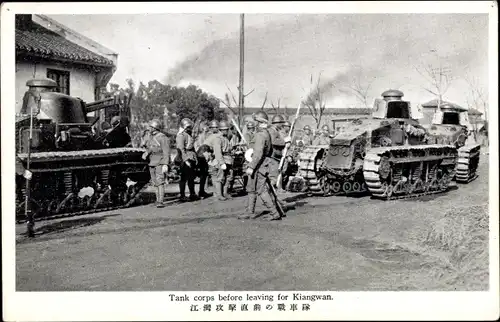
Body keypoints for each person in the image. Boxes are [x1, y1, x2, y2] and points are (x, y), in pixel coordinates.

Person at [237, 111, 286, 221]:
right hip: (262, 164)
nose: (255, 124)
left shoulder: (260, 135)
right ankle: (250, 212)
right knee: (251, 188)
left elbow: (258, 153)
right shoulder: (266, 133)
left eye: (256, 121)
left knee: (261, 190)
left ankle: (274, 213)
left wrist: (251, 167)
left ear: (259, 122)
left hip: (260, 165)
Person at [142, 119, 171, 208]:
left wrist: (166, 164)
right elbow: (150, 148)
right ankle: (157, 199)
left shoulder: (163, 137)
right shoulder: (151, 137)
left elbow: (166, 152)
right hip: (152, 162)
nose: (149, 128)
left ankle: (161, 201)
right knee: (154, 182)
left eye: (151, 127)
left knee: (160, 182)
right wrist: (146, 152)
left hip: (160, 162)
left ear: (155, 128)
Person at [204, 120, 232, 200]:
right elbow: (217, 152)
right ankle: (219, 195)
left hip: (227, 159)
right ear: (220, 130)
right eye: (224, 129)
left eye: (226, 129)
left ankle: (225, 193)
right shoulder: (218, 138)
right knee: (220, 177)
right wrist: (221, 162)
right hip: (221, 159)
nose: (226, 131)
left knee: (228, 177)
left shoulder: (225, 138)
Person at [176, 118, 199, 202]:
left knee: (191, 177)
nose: (190, 128)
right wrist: (186, 160)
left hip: (191, 158)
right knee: (183, 178)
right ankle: (182, 195)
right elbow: (181, 149)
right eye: (188, 127)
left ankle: (192, 194)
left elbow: (192, 148)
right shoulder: (181, 136)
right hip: (184, 159)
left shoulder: (188, 135)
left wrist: (195, 158)